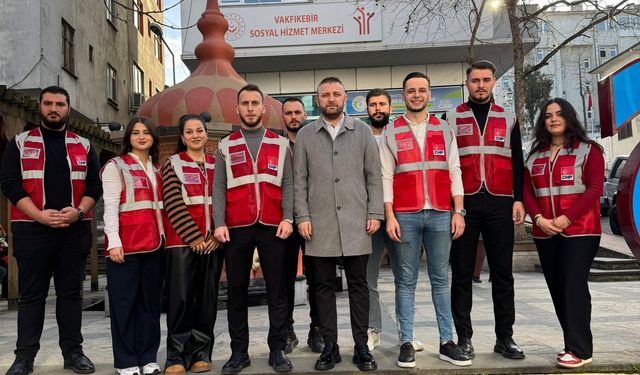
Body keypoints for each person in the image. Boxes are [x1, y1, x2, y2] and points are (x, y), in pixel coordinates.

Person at [0, 86, 101, 375]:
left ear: (68, 108)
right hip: (33, 230)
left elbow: (94, 185)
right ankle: (24, 358)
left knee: (71, 295)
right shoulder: (20, 143)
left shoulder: (83, 145)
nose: (54, 108)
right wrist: (40, 216)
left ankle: (73, 353)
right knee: (32, 295)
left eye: (59, 104)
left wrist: (78, 212)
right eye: (48, 103)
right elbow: (9, 183)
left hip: (74, 229)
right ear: (40, 107)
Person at [379, 72, 470, 368]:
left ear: (429, 94)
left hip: (442, 213)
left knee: (441, 279)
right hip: (405, 214)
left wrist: (459, 211)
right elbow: (386, 177)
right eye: (411, 90)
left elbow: (454, 171)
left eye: (422, 90)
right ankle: (406, 341)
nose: (416, 95)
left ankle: (447, 342)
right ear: (403, 96)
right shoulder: (391, 132)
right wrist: (389, 215)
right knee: (405, 281)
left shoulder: (445, 129)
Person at [293, 76, 381, 372]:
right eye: (325, 95)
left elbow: (374, 175)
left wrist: (374, 212)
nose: (331, 99)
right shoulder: (306, 135)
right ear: (317, 100)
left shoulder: (363, 132)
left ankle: (361, 346)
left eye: (336, 94)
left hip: (357, 220)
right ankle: (329, 346)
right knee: (323, 288)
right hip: (319, 224)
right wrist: (302, 217)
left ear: (345, 98)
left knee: (359, 286)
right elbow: (299, 181)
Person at [213, 84, 294, 374]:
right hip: (236, 227)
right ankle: (239, 352)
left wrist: (289, 217)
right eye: (244, 103)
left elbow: (288, 184)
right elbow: (219, 188)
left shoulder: (281, 143)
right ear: (237, 109)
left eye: (254, 103)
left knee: (277, 290)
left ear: (263, 108)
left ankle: (277, 349)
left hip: (274, 225)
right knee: (236, 291)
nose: (249, 108)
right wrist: (219, 222)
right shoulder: (226, 145)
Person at [447, 60, 525, 360]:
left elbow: (517, 161)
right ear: (467, 83)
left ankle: (505, 337)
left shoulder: (509, 118)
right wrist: (452, 206)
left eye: (486, 80)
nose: (481, 85)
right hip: (464, 204)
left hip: (500, 201)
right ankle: (463, 337)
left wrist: (519, 199)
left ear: (494, 82)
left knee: (503, 273)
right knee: (462, 273)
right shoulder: (451, 117)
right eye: (475, 80)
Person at [523, 98, 604, 369]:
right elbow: (526, 192)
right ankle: (571, 344)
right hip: (545, 231)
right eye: (548, 116)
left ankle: (581, 349)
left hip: (581, 231)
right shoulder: (535, 155)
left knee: (573, 284)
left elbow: (594, 189)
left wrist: (567, 218)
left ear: (569, 117)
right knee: (557, 287)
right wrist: (538, 218)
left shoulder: (589, 150)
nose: (553, 119)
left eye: (559, 114)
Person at [102, 117, 166, 375]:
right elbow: (110, 208)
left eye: (147, 133)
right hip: (125, 248)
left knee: (149, 305)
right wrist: (113, 242)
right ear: (128, 137)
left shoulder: (158, 169)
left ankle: (148, 358)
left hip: (155, 246)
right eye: (136, 133)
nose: (141, 137)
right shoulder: (115, 166)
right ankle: (127, 361)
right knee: (123, 305)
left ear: (153, 138)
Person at [162, 114, 223, 374]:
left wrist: (214, 238)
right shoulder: (172, 164)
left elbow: (224, 201)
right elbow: (172, 203)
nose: (195, 135)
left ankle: (201, 352)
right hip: (182, 243)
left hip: (213, 244)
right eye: (189, 131)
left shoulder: (217, 164)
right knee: (181, 299)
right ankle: (176, 355)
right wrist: (195, 237)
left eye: (200, 130)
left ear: (206, 134)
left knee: (207, 300)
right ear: (182, 136)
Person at [363, 89, 422, 352]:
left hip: (402, 216)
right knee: (368, 278)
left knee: (404, 278)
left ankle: (405, 333)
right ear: (367, 109)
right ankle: (372, 330)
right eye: (373, 104)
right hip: (370, 220)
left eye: (382, 104)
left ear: (390, 107)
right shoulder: (360, 137)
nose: (378, 108)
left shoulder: (400, 133)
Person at [280, 97, 323, 354]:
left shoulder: (315, 142)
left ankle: (317, 329)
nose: (294, 116)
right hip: (285, 221)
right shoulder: (276, 145)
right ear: (282, 117)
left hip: (314, 220)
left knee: (318, 277)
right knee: (283, 279)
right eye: (289, 113)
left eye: (298, 112)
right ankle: (287, 330)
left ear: (305, 115)